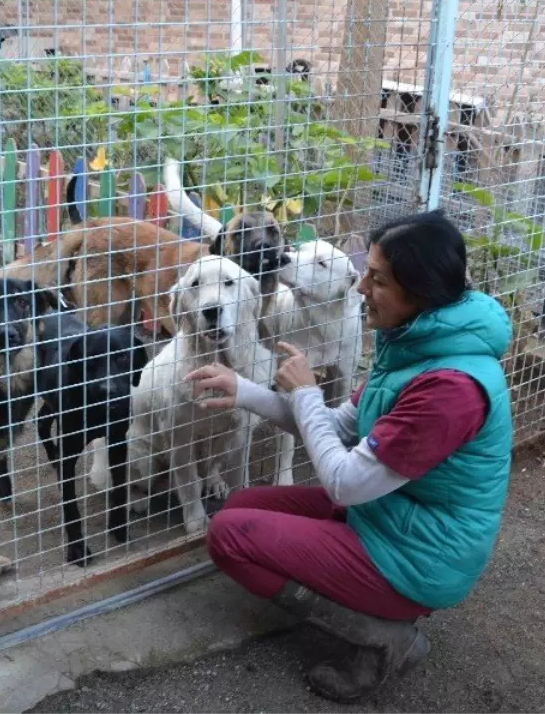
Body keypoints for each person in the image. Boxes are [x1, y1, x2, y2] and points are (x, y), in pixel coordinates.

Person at [185, 209, 513, 703]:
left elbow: (345, 482)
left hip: (420, 557)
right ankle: (358, 594)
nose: (359, 287)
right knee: (238, 506)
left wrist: (307, 394)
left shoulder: (450, 388)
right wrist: (246, 391)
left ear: (418, 291)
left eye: (376, 279)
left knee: (228, 536)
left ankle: (383, 634)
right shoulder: (413, 343)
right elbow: (338, 427)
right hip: (390, 515)